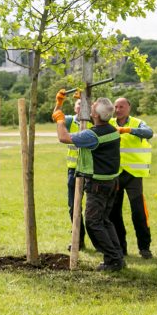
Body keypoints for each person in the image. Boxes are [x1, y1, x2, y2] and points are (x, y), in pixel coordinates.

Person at [54, 94, 124, 271]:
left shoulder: (92, 135)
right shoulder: (113, 130)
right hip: (112, 182)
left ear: (96, 116)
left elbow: (63, 137)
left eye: (92, 109)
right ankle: (117, 256)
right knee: (105, 220)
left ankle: (113, 259)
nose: (90, 110)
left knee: (93, 222)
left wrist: (60, 120)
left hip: (98, 185)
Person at [109, 97, 155, 259]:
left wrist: (127, 130)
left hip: (133, 175)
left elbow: (149, 133)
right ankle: (121, 248)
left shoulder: (137, 122)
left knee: (139, 212)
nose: (118, 109)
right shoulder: (109, 123)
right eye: (116, 106)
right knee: (114, 213)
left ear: (129, 107)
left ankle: (144, 248)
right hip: (116, 174)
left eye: (122, 106)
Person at [63, 98, 86, 249]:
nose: (81, 107)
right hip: (74, 170)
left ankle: (101, 242)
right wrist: (59, 103)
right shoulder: (70, 121)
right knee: (74, 206)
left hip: (92, 170)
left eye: (84, 104)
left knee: (95, 209)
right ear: (74, 107)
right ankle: (78, 239)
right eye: (79, 104)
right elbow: (56, 116)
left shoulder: (93, 120)